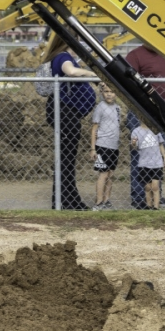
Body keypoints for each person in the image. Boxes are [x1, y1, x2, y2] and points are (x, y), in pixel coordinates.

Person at [43, 36, 98, 210]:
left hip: (69, 114)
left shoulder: (63, 57)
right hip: (65, 113)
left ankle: (69, 199)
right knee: (66, 159)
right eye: (75, 41)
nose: (78, 45)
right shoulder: (63, 57)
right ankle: (64, 201)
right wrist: (91, 74)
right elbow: (71, 71)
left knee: (67, 159)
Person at [125, 44, 165, 209]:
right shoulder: (135, 55)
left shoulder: (164, 54)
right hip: (142, 112)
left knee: (157, 156)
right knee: (140, 155)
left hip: (162, 112)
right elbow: (127, 83)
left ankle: (156, 196)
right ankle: (139, 197)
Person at [90, 83, 121, 211]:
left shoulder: (118, 108)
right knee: (103, 174)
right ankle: (98, 202)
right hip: (102, 145)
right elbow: (94, 129)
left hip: (114, 146)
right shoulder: (100, 107)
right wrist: (93, 148)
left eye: (112, 91)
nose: (109, 94)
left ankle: (106, 200)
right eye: (106, 91)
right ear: (102, 93)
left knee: (110, 174)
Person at [130, 121, 165, 210]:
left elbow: (160, 144)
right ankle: (149, 205)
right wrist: (133, 143)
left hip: (156, 163)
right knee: (147, 187)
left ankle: (156, 206)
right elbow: (134, 147)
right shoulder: (136, 131)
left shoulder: (155, 129)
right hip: (144, 163)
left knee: (155, 187)